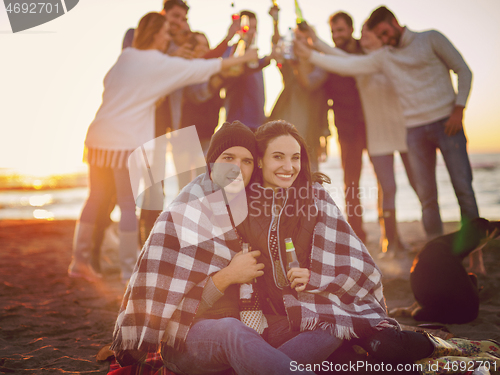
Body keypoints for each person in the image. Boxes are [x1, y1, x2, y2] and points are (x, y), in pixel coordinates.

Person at [111, 121, 316, 375]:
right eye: (228, 157)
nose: (237, 168)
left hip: (250, 325)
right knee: (230, 330)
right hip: (187, 341)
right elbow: (172, 311)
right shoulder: (183, 214)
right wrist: (229, 275)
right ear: (211, 163)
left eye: (247, 161)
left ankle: (260, 365)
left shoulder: (251, 210)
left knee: (324, 323)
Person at [68, 12, 258, 283]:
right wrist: (243, 57)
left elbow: (109, 83)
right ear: (156, 34)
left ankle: (78, 262)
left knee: (95, 198)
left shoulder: (127, 56)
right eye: (166, 34)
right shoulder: (158, 62)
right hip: (124, 142)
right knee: (126, 205)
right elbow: (204, 69)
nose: (169, 38)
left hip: (97, 137)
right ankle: (127, 270)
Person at [238, 120, 437, 367]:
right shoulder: (244, 205)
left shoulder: (315, 197)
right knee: (341, 363)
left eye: (295, 158)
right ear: (259, 160)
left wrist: (314, 277)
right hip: (287, 316)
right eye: (278, 157)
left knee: (388, 348)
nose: (289, 167)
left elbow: (362, 265)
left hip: (337, 304)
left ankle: (435, 342)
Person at [295, 6, 479, 239]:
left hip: (431, 125)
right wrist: (310, 50)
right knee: (423, 195)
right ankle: (430, 247)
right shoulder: (382, 57)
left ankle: (474, 248)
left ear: (393, 21)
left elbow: (463, 70)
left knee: (458, 187)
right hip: (400, 131)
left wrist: (458, 109)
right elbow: (346, 62)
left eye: (382, 33)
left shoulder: (419, 43)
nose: (383, 38)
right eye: (378, 35)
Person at [267, 6, 330, 172]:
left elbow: (308, 85)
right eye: (296, 39)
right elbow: (276, 44)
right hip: (283, 134)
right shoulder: (289, 65)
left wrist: (324, 137)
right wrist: (275, 21)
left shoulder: (321, 67)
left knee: (310, 182)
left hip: (310, 136)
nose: (298, 42)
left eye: (303, 39)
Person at [324, 12, 368, 242]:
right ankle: (357, 234)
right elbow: (325, 97)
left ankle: (390, 234)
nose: (337, 35)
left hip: (373, 124)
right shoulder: (329, 60)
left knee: (384, 179)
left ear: (351, 29)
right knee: (351, 182)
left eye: (340, 30)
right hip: (346, 128)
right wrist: (326, 132)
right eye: (333, 32)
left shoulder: (366, 49)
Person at [221, 10, 275, 131]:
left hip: (259, 124)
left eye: (255, 28)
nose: (252, 32)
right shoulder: (231, 52)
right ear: (239, 29)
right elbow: (230, 72)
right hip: (237, 124)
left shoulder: (255, 55)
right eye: (248, 28)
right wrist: (267, 59)